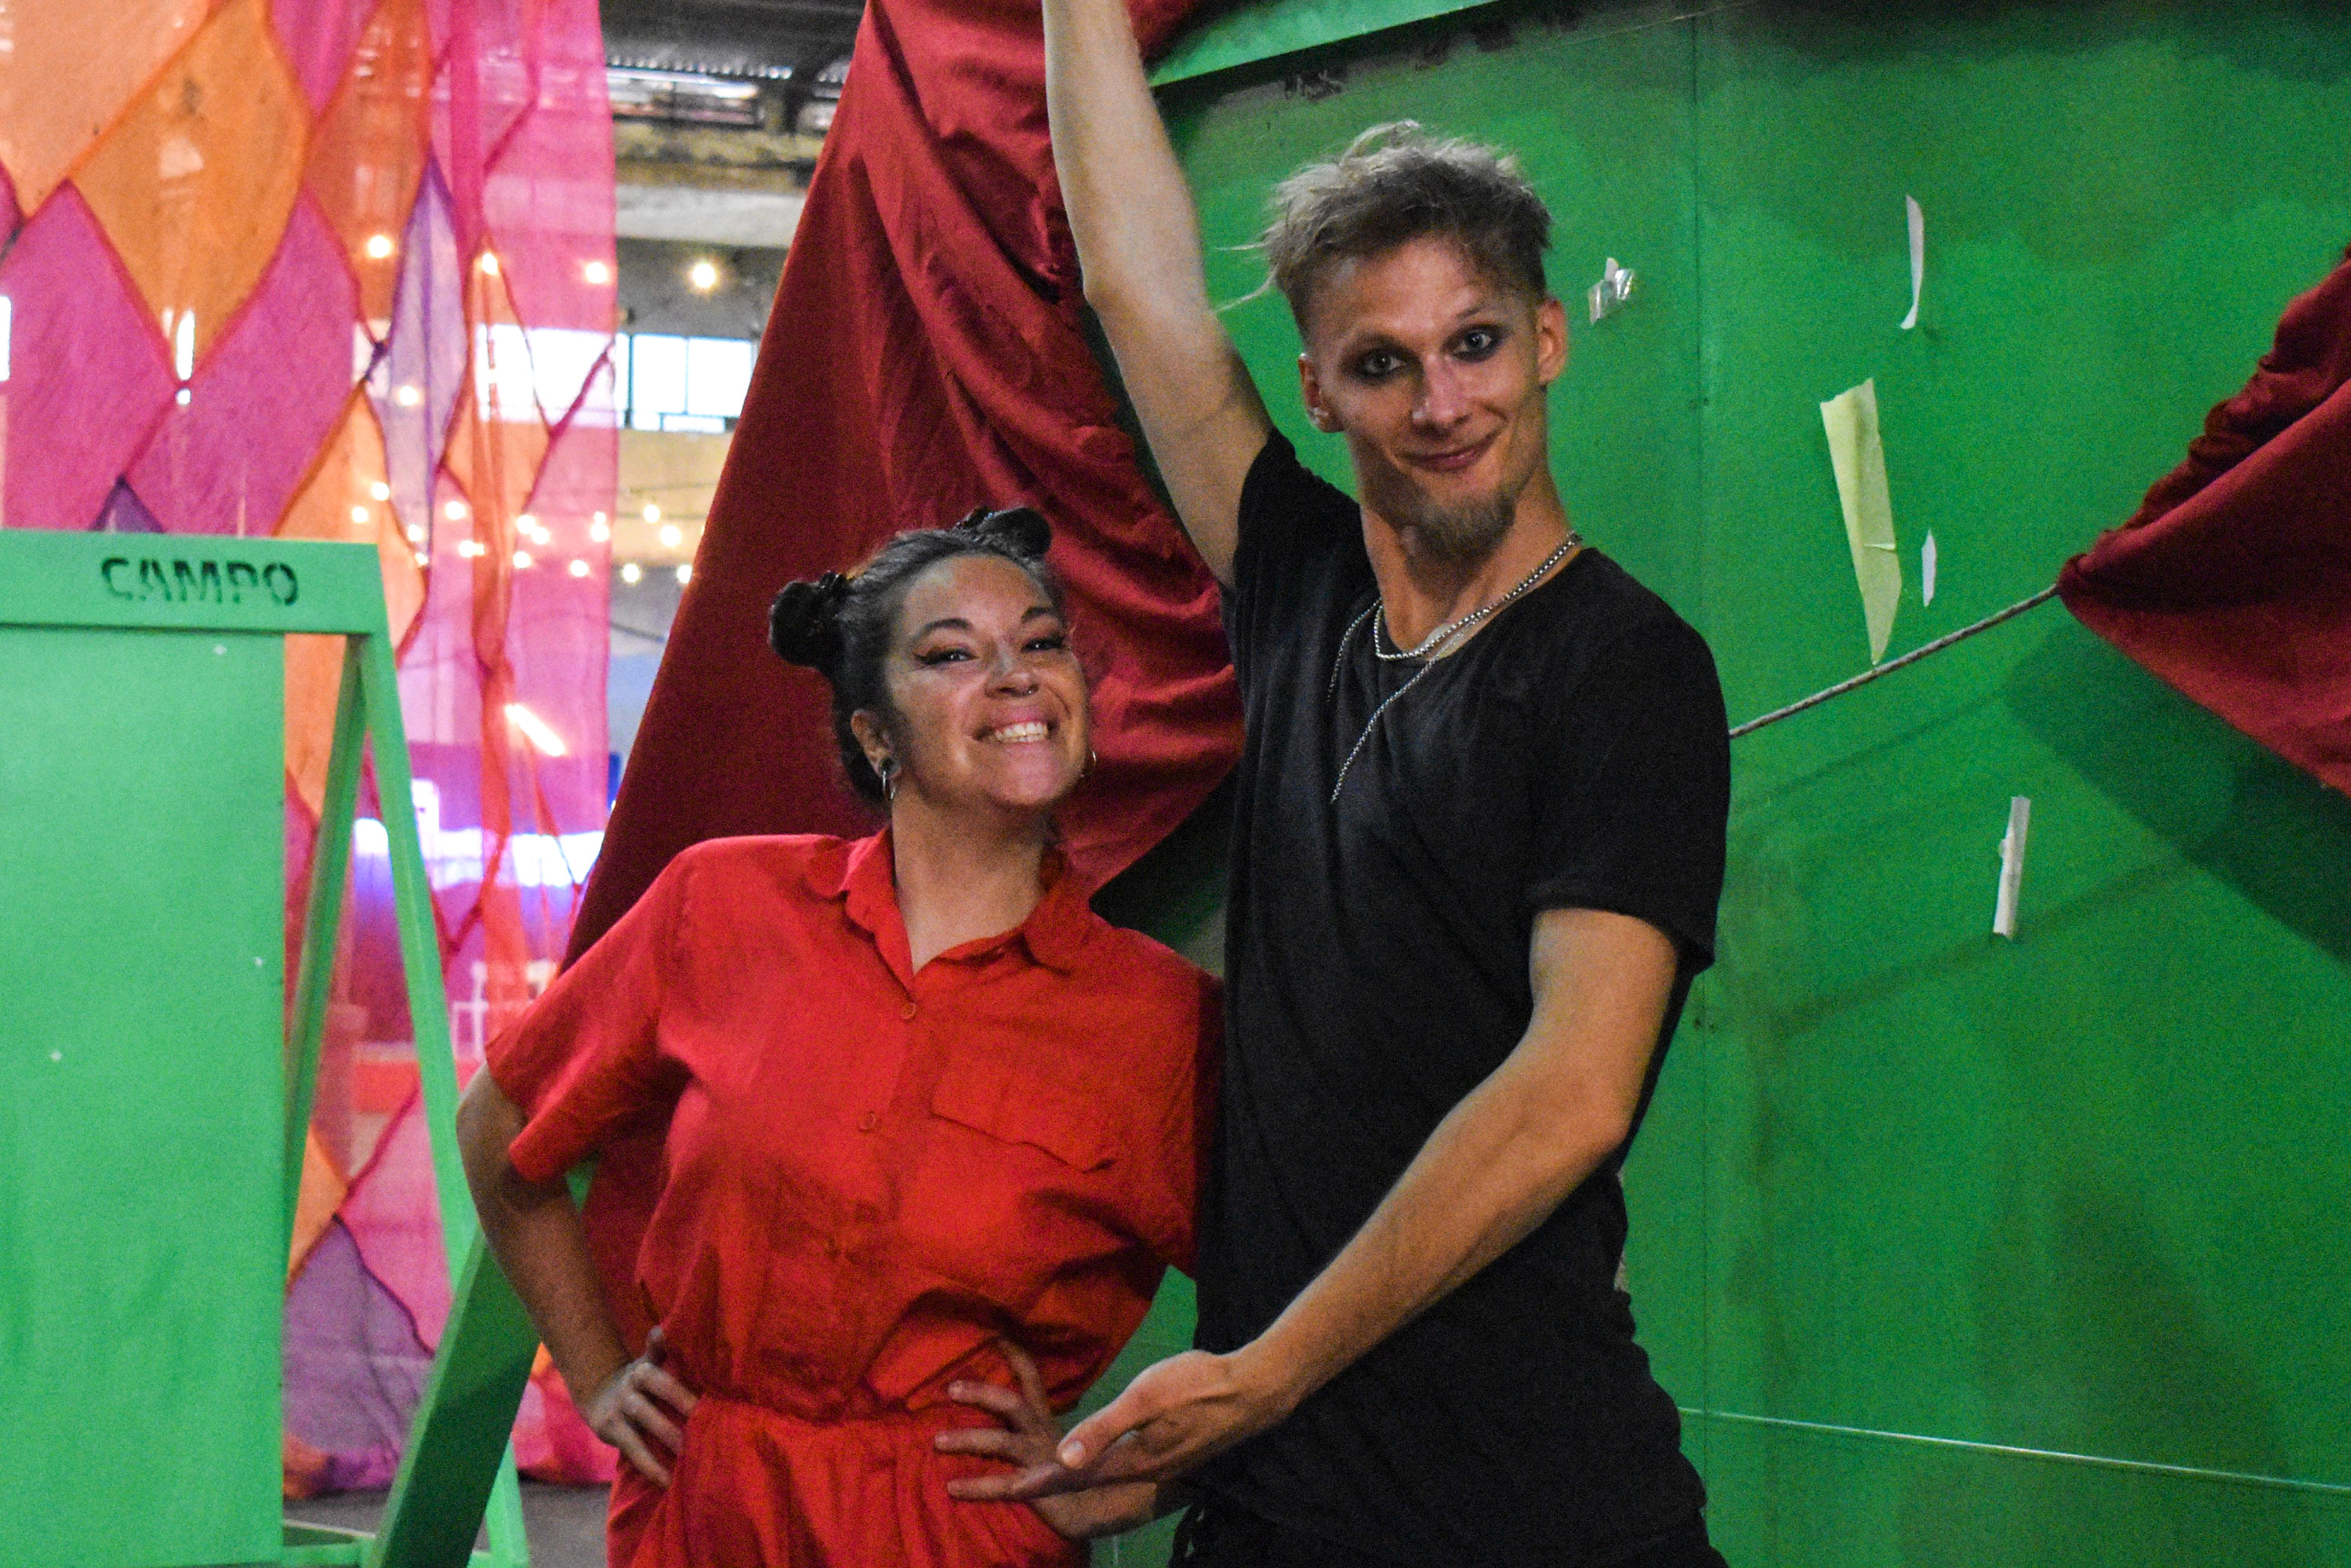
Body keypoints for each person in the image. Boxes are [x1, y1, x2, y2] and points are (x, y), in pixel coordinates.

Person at [946, 4, 1736, 1563]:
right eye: (1384, 365)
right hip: (1280, 1499)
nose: (1443, 405)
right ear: (1316, 390)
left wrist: (1264, 1376)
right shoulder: (1301, 588)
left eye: (1475, 344)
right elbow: (1136, 287)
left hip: (1531, 1506)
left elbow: (1572, 1092)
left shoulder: (1623, 667)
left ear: (1549, 339)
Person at [456, 508, 1215, 1567]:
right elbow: (502, 1125)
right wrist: (597, 1376)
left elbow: (1302, 1308)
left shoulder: (1157, 1016)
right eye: (952, 654)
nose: (1016, 676)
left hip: (956, 1526)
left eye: (1042, 644)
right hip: (703, 1507)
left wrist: (1140, 1479)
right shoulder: (722, 904)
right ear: (875, 736)